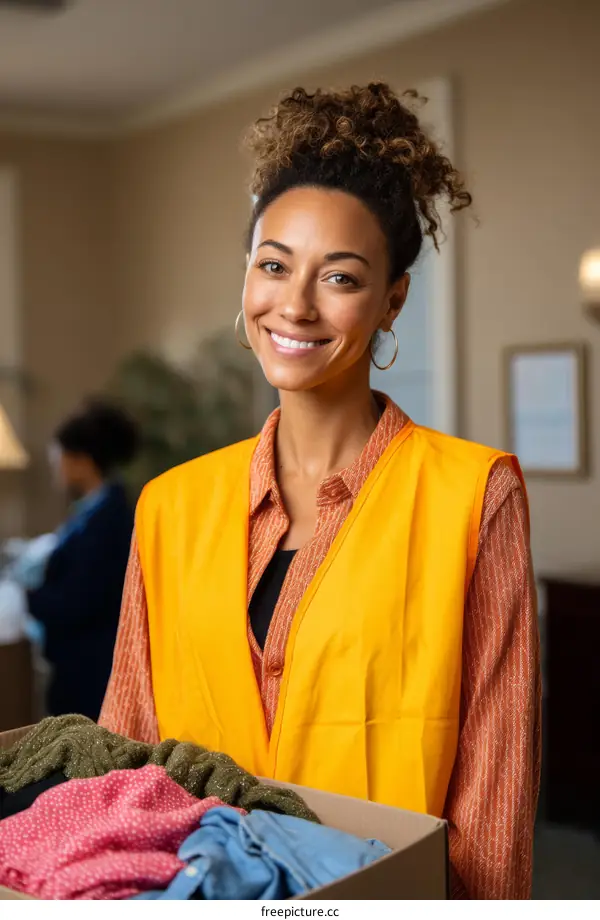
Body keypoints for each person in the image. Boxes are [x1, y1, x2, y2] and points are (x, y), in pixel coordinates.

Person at [100, 84, 541, 899]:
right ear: (248, 277)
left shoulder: (473, 496)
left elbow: (495, 790)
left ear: (391, 300)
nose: (294, 305)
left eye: (339, 277)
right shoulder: (170, 506)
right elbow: (123, 757)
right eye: (273, 266)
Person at [28, 399, 139, 721]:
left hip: (92, 669)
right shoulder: (93, 513)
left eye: (58, 458)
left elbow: (79, 601)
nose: (55, 467)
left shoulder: (108, 521)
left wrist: (27, 598)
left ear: (80, 461)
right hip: (83, 662)